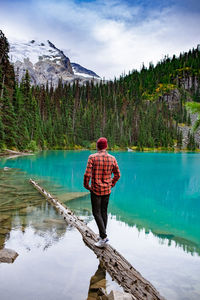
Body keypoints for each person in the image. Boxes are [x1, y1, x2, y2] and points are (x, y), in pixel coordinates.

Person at [84, 137, 120, 248]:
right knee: (104, 211)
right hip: (107, 190)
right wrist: (111, 184)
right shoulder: (112, 158)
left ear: (97, 146)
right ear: (106, 146)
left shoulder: (92, 157)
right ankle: (102, 235)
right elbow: (118, 174)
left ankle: (103, 237)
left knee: (96, 212)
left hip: (95, 190)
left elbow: (87, 174)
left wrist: (86, 185)